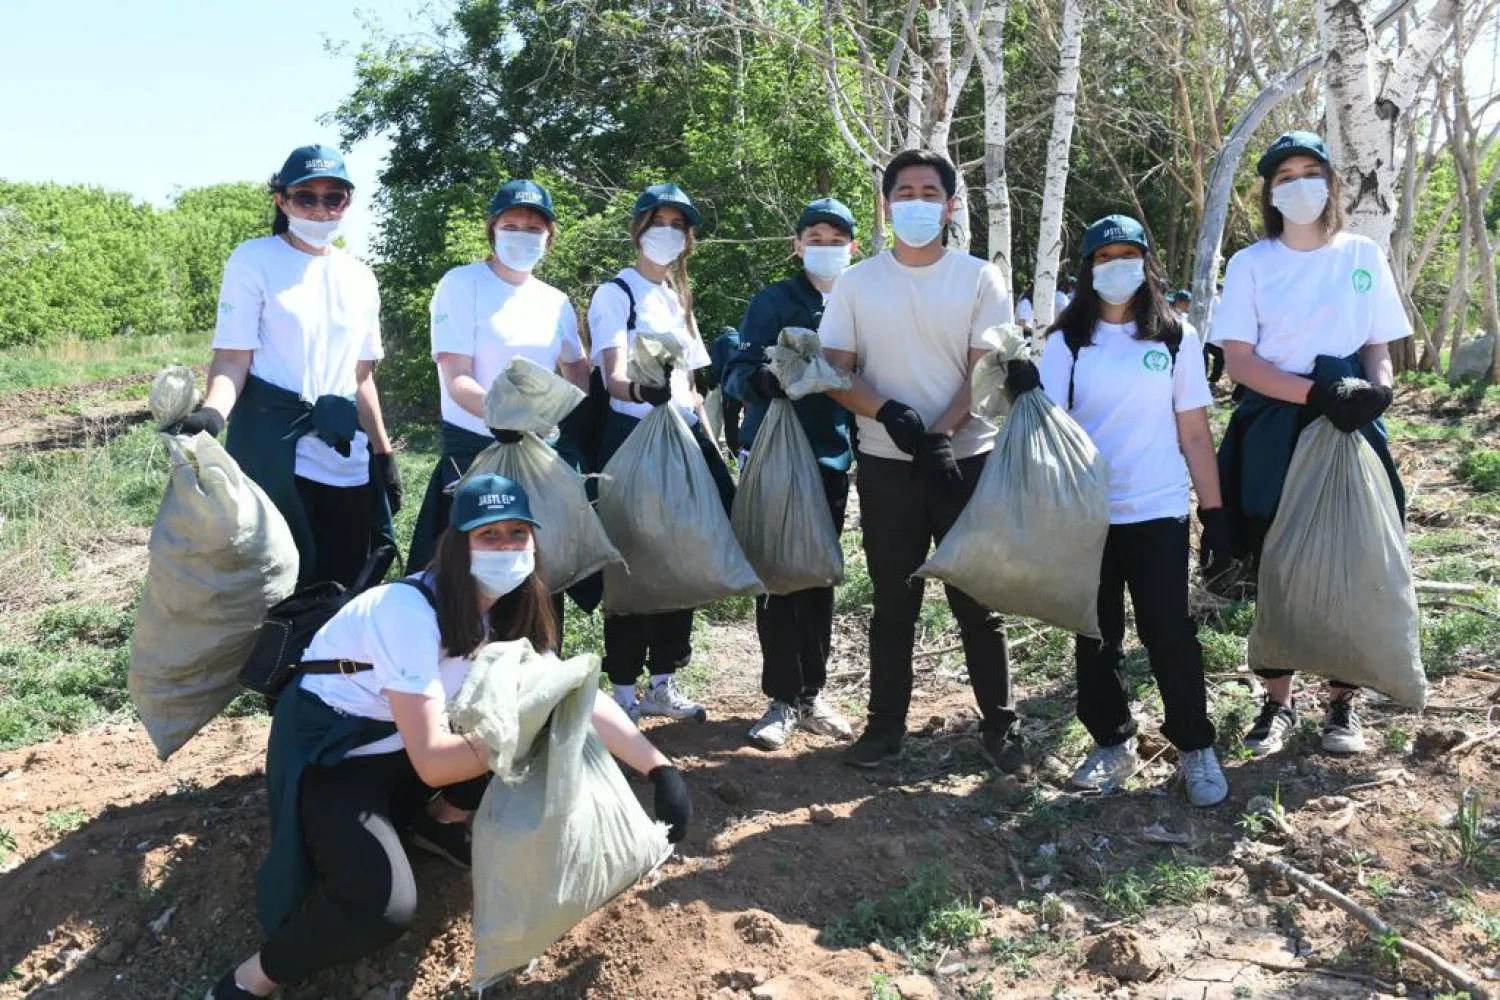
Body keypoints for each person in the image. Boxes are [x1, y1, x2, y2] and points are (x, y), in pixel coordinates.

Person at [205, 475, 692, 999]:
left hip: (403, 753)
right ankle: (248, 980)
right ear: (457, 544)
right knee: (381, 907)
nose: (506, 548)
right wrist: (517, 726)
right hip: (338, 761)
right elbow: (437, 762)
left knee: (530, 716)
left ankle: (440, 821)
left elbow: (570, 690)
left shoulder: (508, 612)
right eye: (489, 536)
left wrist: (659, 768)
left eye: (517, 534)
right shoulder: (407, 613)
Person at [820, 149, 1023, 771]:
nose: (916, 203)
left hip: (966, 462)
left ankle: (1001, 724)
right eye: (903, 193)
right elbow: (830, 369)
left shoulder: (978, 278)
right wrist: (886, 413)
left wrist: (941, 433)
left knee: (976, 599)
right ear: (886, 206)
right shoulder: (858, 282)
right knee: (892, 601)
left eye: (929, 193)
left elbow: (986, 366)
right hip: (885, 465)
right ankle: (884, 729)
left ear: (951, 205)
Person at [1019, 215, 1230, 807]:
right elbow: (1050, 431)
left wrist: (1213, 515)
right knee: (1097, 635)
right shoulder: (1067, 343)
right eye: (1104, 255)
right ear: (1088, 269)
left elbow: (1193, 431)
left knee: (1169, 632)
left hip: (1158, 509)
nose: (1117, 265)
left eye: (1128, 253)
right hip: (1088, 514)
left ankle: (1194, 745)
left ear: (1146, 263)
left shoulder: (1174, 337)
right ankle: (1112, 739)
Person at [1211, 130, 1408, 757]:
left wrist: (1378, 390)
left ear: (1330, 182)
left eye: (1309, 171)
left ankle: (1343, 705)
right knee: (1277, 557)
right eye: (1284, 175)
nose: (1299, 184)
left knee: (1355, 553)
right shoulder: (1251, 264)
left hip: (1352, 417)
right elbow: (1239, 360)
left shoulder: (1361, 254)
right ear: (1271, 192)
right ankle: (1276, 703)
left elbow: (1379, 344)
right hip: (1279, 418)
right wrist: (1311, 396)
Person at [169, 144, 400, 588]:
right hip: (274, 450)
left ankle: (330, 659)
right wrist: (213, 414)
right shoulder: (254, 260)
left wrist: (384, 454)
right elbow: (234, 357)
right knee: (275, 583)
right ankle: (276, 660)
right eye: (305, 197)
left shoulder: (361, 277)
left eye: (332, 198)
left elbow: (362, 377)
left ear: (347, 203)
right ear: (282, 200)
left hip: (343, 451)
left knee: (344, 580)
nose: (319, 208)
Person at [588, 183, 736, 723]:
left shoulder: (676, 295)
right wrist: (641, 392)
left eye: (678, 226)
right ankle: (623, 686)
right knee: (630, 562)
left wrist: (710, 442)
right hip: (631, 441)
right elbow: (613, 377)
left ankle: (665, 681)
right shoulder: (616, 294)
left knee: (681, 558)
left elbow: (692, 383)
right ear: (638, 229)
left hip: (681, 440)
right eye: (659, 223)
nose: (667, 234)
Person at [724, 197, 859, 750]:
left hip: (832, 455)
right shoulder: (773, 301)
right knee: (778, 577)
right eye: (815, 238)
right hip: (777, 455)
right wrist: (760, 383)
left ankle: (812, 693)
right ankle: (780, 699)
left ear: (853, 246)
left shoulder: (862, 300)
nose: (825, 248)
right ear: (797, 245)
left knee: (819, 573)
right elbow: (736, 371)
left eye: (837, 239)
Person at [407, 179, 591, 573]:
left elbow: (576, 366)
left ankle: (542, 638)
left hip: (538, 453)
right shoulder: (462, 284)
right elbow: (456, 376)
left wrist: (556, 411)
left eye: (533, 228)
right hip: (475, 451)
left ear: (549, 236)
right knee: (470, 575)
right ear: (492, 230)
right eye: (511, 226)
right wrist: (500, 414)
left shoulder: (554, 301)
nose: (522, 236)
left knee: (536, 571)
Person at [705, 326, 743, 457]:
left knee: (731, 421)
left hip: (730, 389)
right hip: (748, 386)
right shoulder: (743, 338)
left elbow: (716, 366)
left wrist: (712, 384)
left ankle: (733, 455)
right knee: (748, 419)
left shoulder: (720, 341)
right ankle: (748, 452)